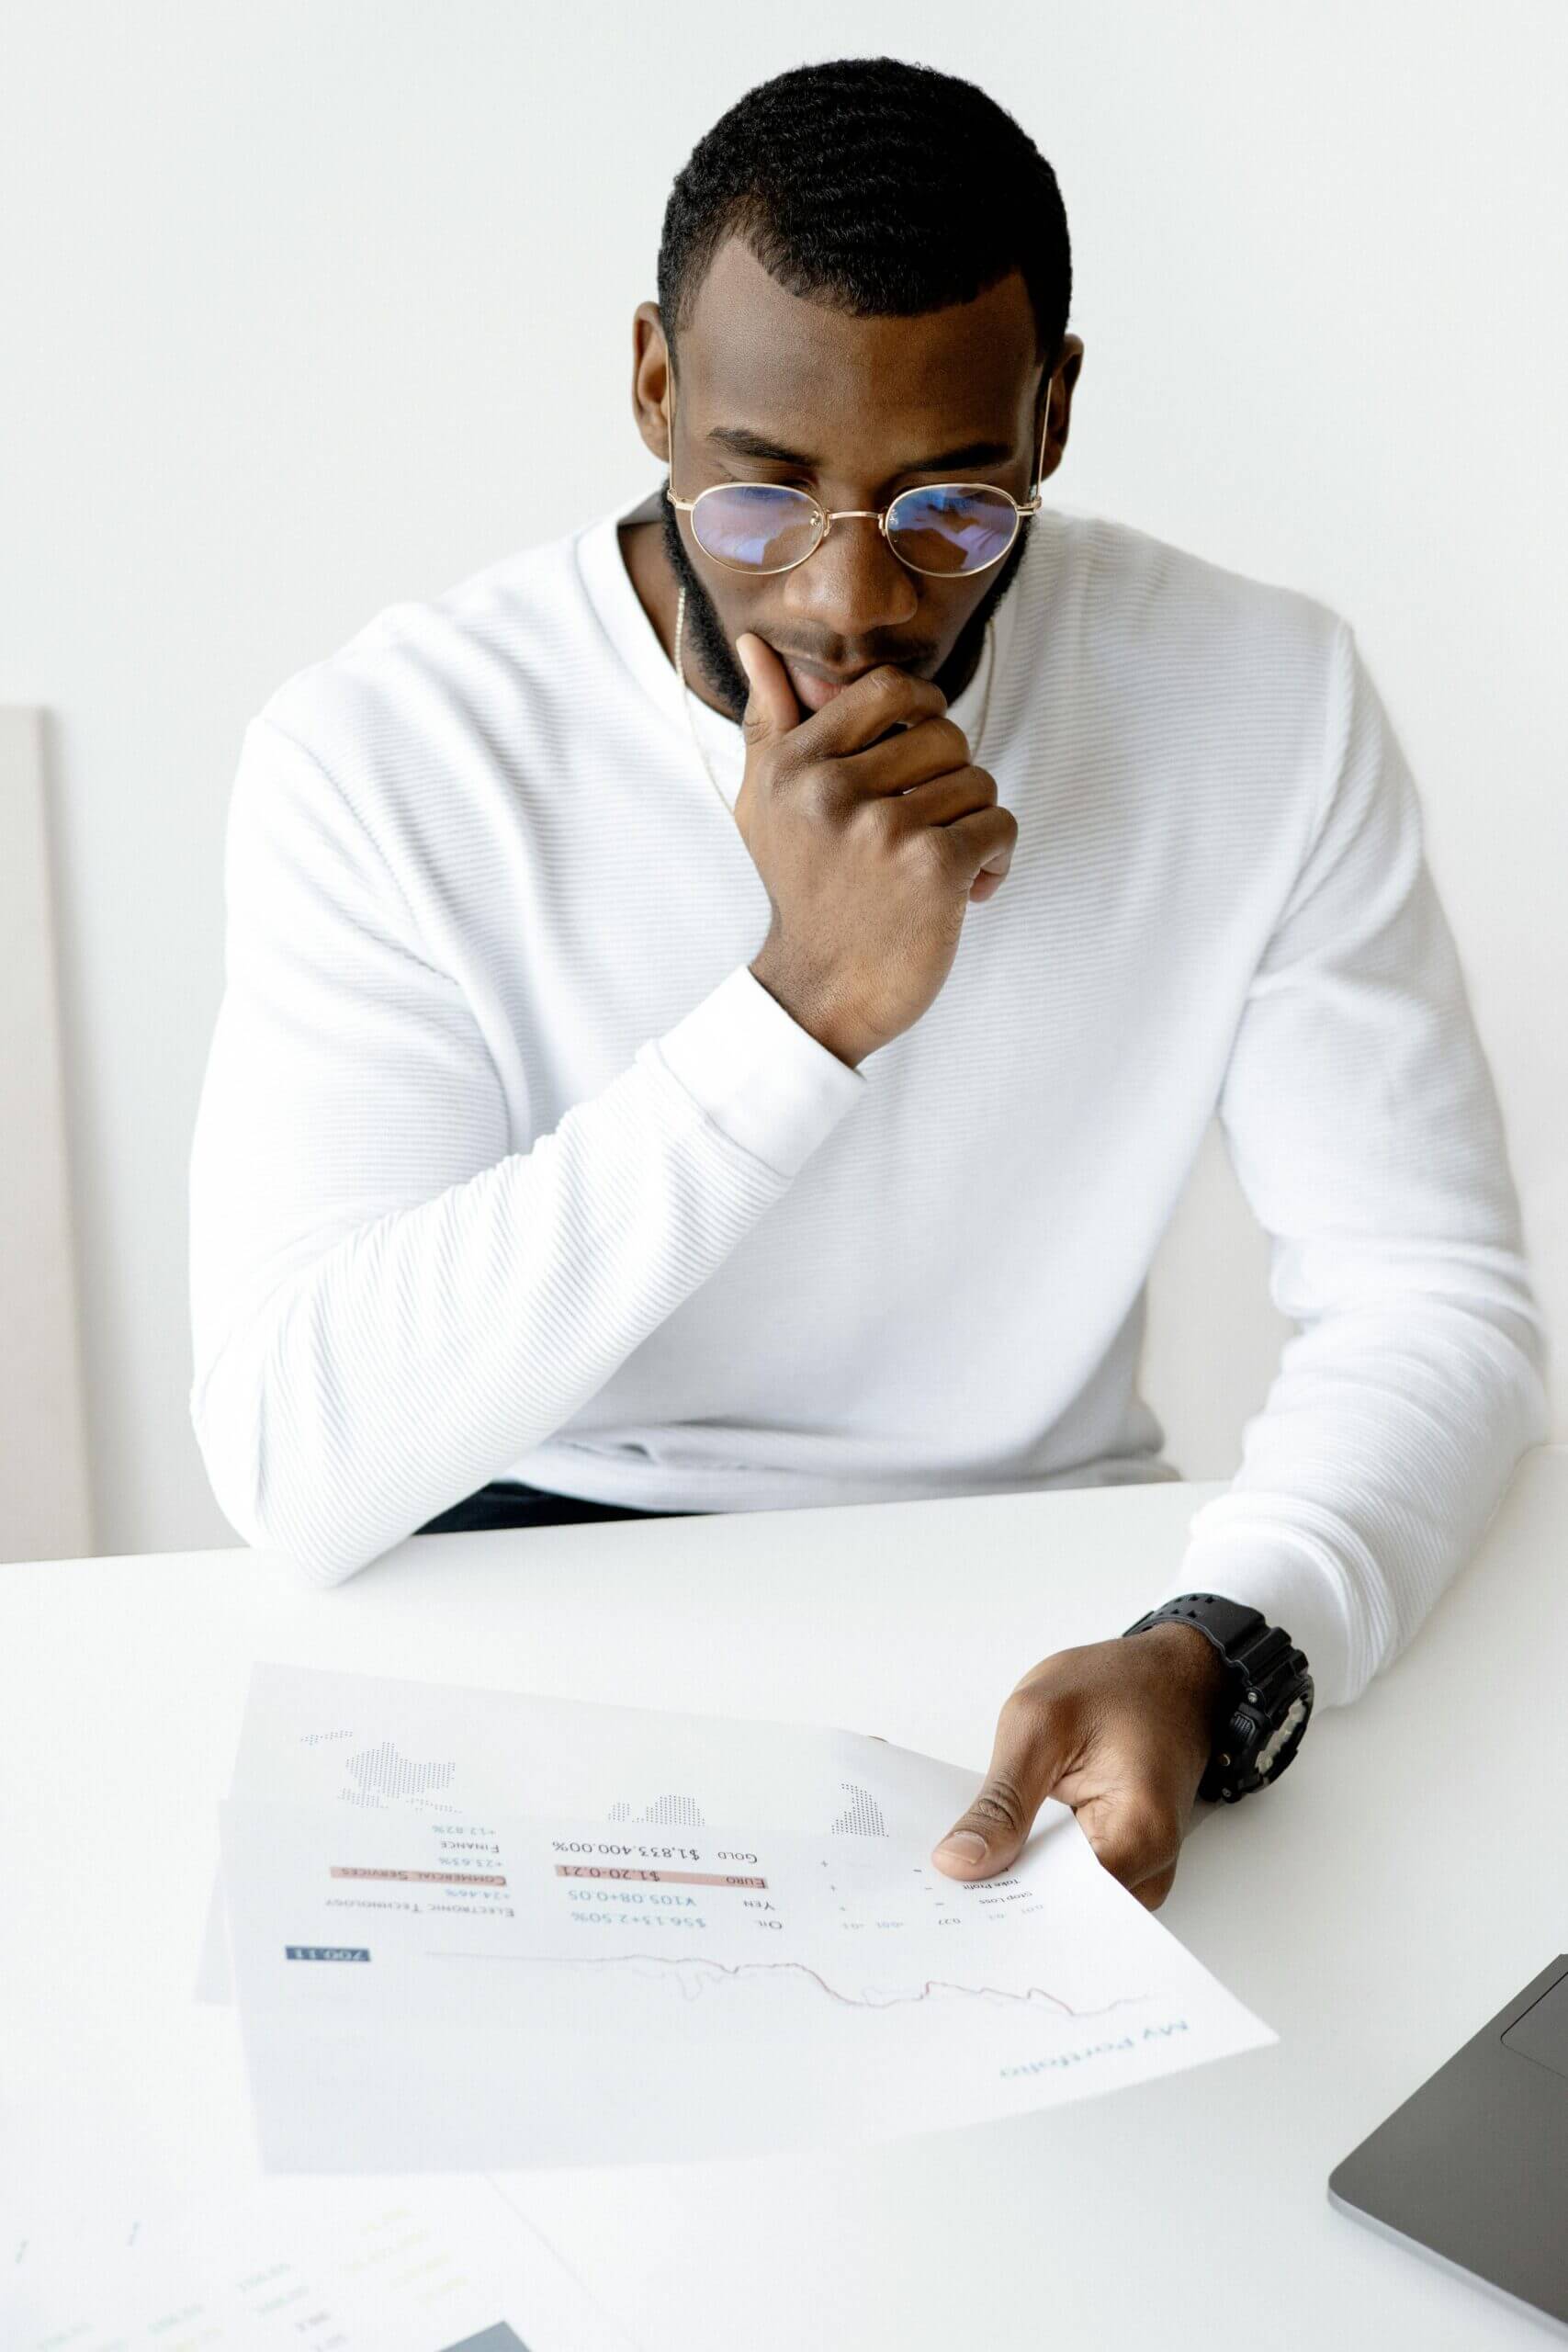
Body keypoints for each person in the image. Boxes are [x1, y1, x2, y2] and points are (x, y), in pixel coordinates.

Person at [186, 56, 1549, 1914]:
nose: (844, 596)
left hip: (1037, 1594)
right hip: (527, 1595)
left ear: (1049, 416)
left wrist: (1229, 1640)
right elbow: (296, 1450)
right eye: (756, 497)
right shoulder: (391, 755)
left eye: (945, 508)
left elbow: (1431, 1299)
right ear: (654, 384)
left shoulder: (1261, 700)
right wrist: (796, 1010)